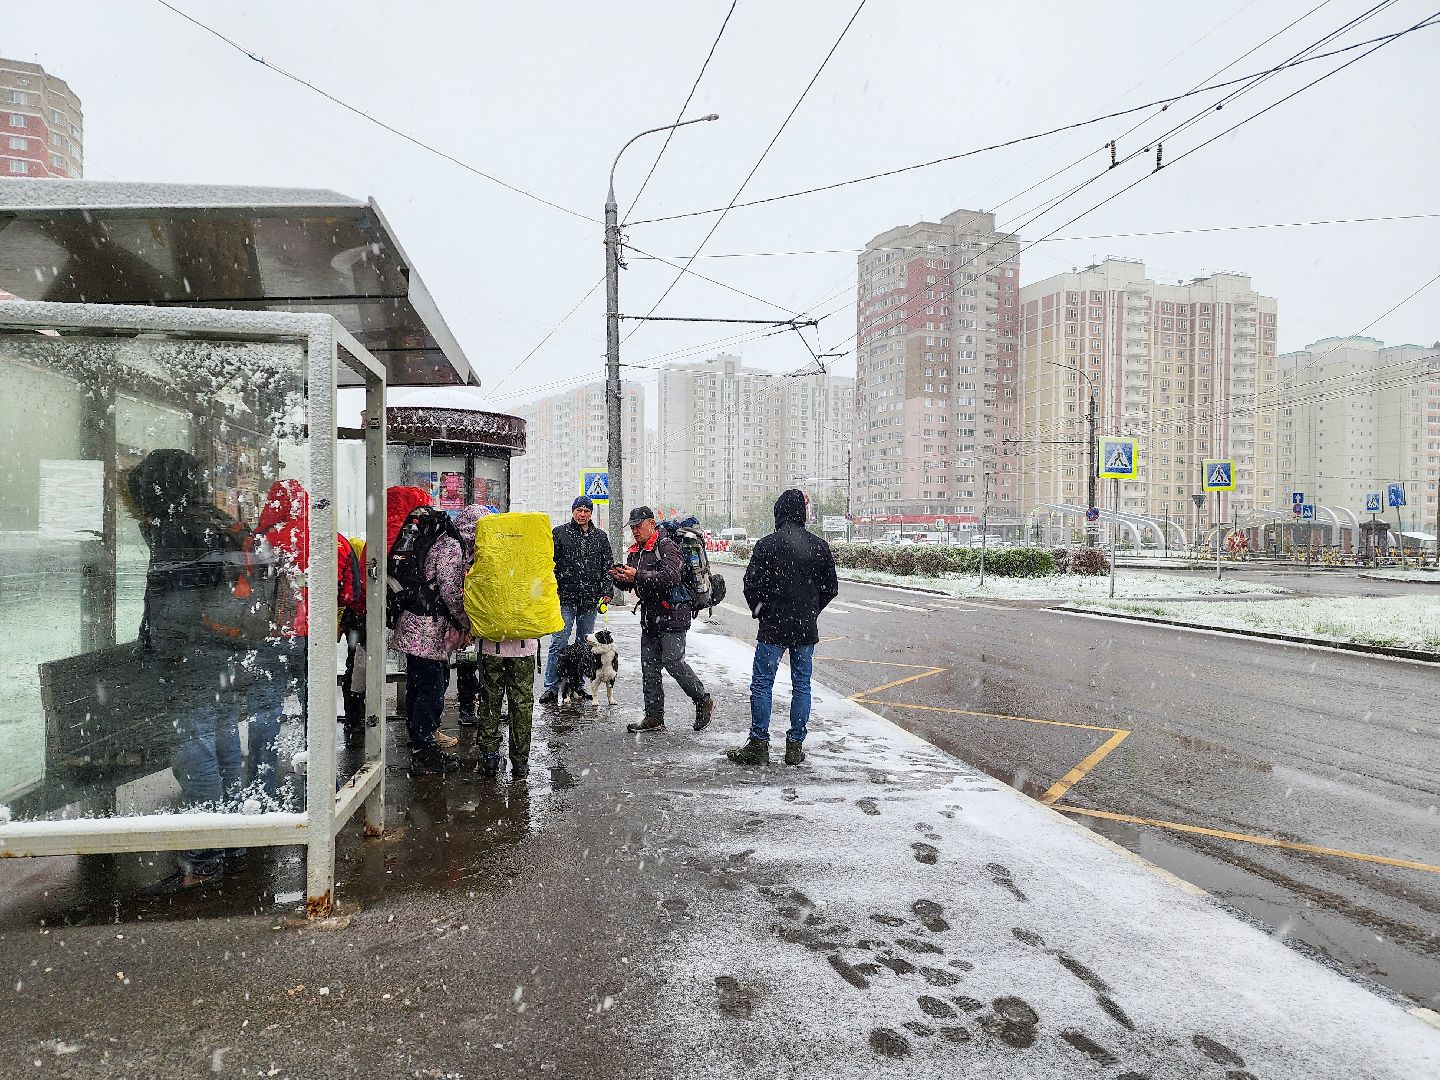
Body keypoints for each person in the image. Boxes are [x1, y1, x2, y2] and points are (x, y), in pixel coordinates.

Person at [127, 449, 249, 894]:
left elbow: (173, 604)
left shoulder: (176, 530)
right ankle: (233, 843)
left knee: (192, 750)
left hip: (189, 658)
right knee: (224, 748)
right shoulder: (215, 520)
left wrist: (160, 652)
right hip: (226, 651)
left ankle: (204, 858)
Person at [728, 489, 838, 767]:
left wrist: (762, 609)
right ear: (802, 513)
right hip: (804, 627)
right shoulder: (818, 546)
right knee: (801, 685)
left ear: (778, 512)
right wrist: (811, 609)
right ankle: (794, 745)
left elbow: (751, 584)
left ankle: (759, 744)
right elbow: (830, 588)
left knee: (763, 683)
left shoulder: (767, 545)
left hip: (773, 626)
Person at [389, 503, 477, 775]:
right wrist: (466, 621)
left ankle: (418, 739)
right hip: (428, 628)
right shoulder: (451, 546)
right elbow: (451, 592)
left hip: (413, 621)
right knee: (431, 687)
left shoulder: (436, 539)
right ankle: (424, 749)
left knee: (418, 683)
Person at [608, 506, 713, 734]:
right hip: (651, 616)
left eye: (639, 526)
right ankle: (654, 717)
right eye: (632, 527)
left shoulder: (666, 545)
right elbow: (634, 583)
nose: (635, 530)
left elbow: (671, 576)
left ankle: (702, 699)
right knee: (650, 668)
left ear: (651, 523)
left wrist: (638, 575)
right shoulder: (636, 551)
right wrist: (620, 578)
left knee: (673, 661)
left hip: (674, 614)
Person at [539, 495, 614, 705]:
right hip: (565, 598)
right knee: (559, 642)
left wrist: (607, 590)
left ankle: (578, 686)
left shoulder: (600, 537)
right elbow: (549, 564)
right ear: (573, 511)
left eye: (586, 511)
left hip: (589, 600)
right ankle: (551, 688)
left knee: (584, 645)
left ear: (591, 513)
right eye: (579, 510)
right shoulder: (560, 534)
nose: (582, 514)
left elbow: (607, 565)